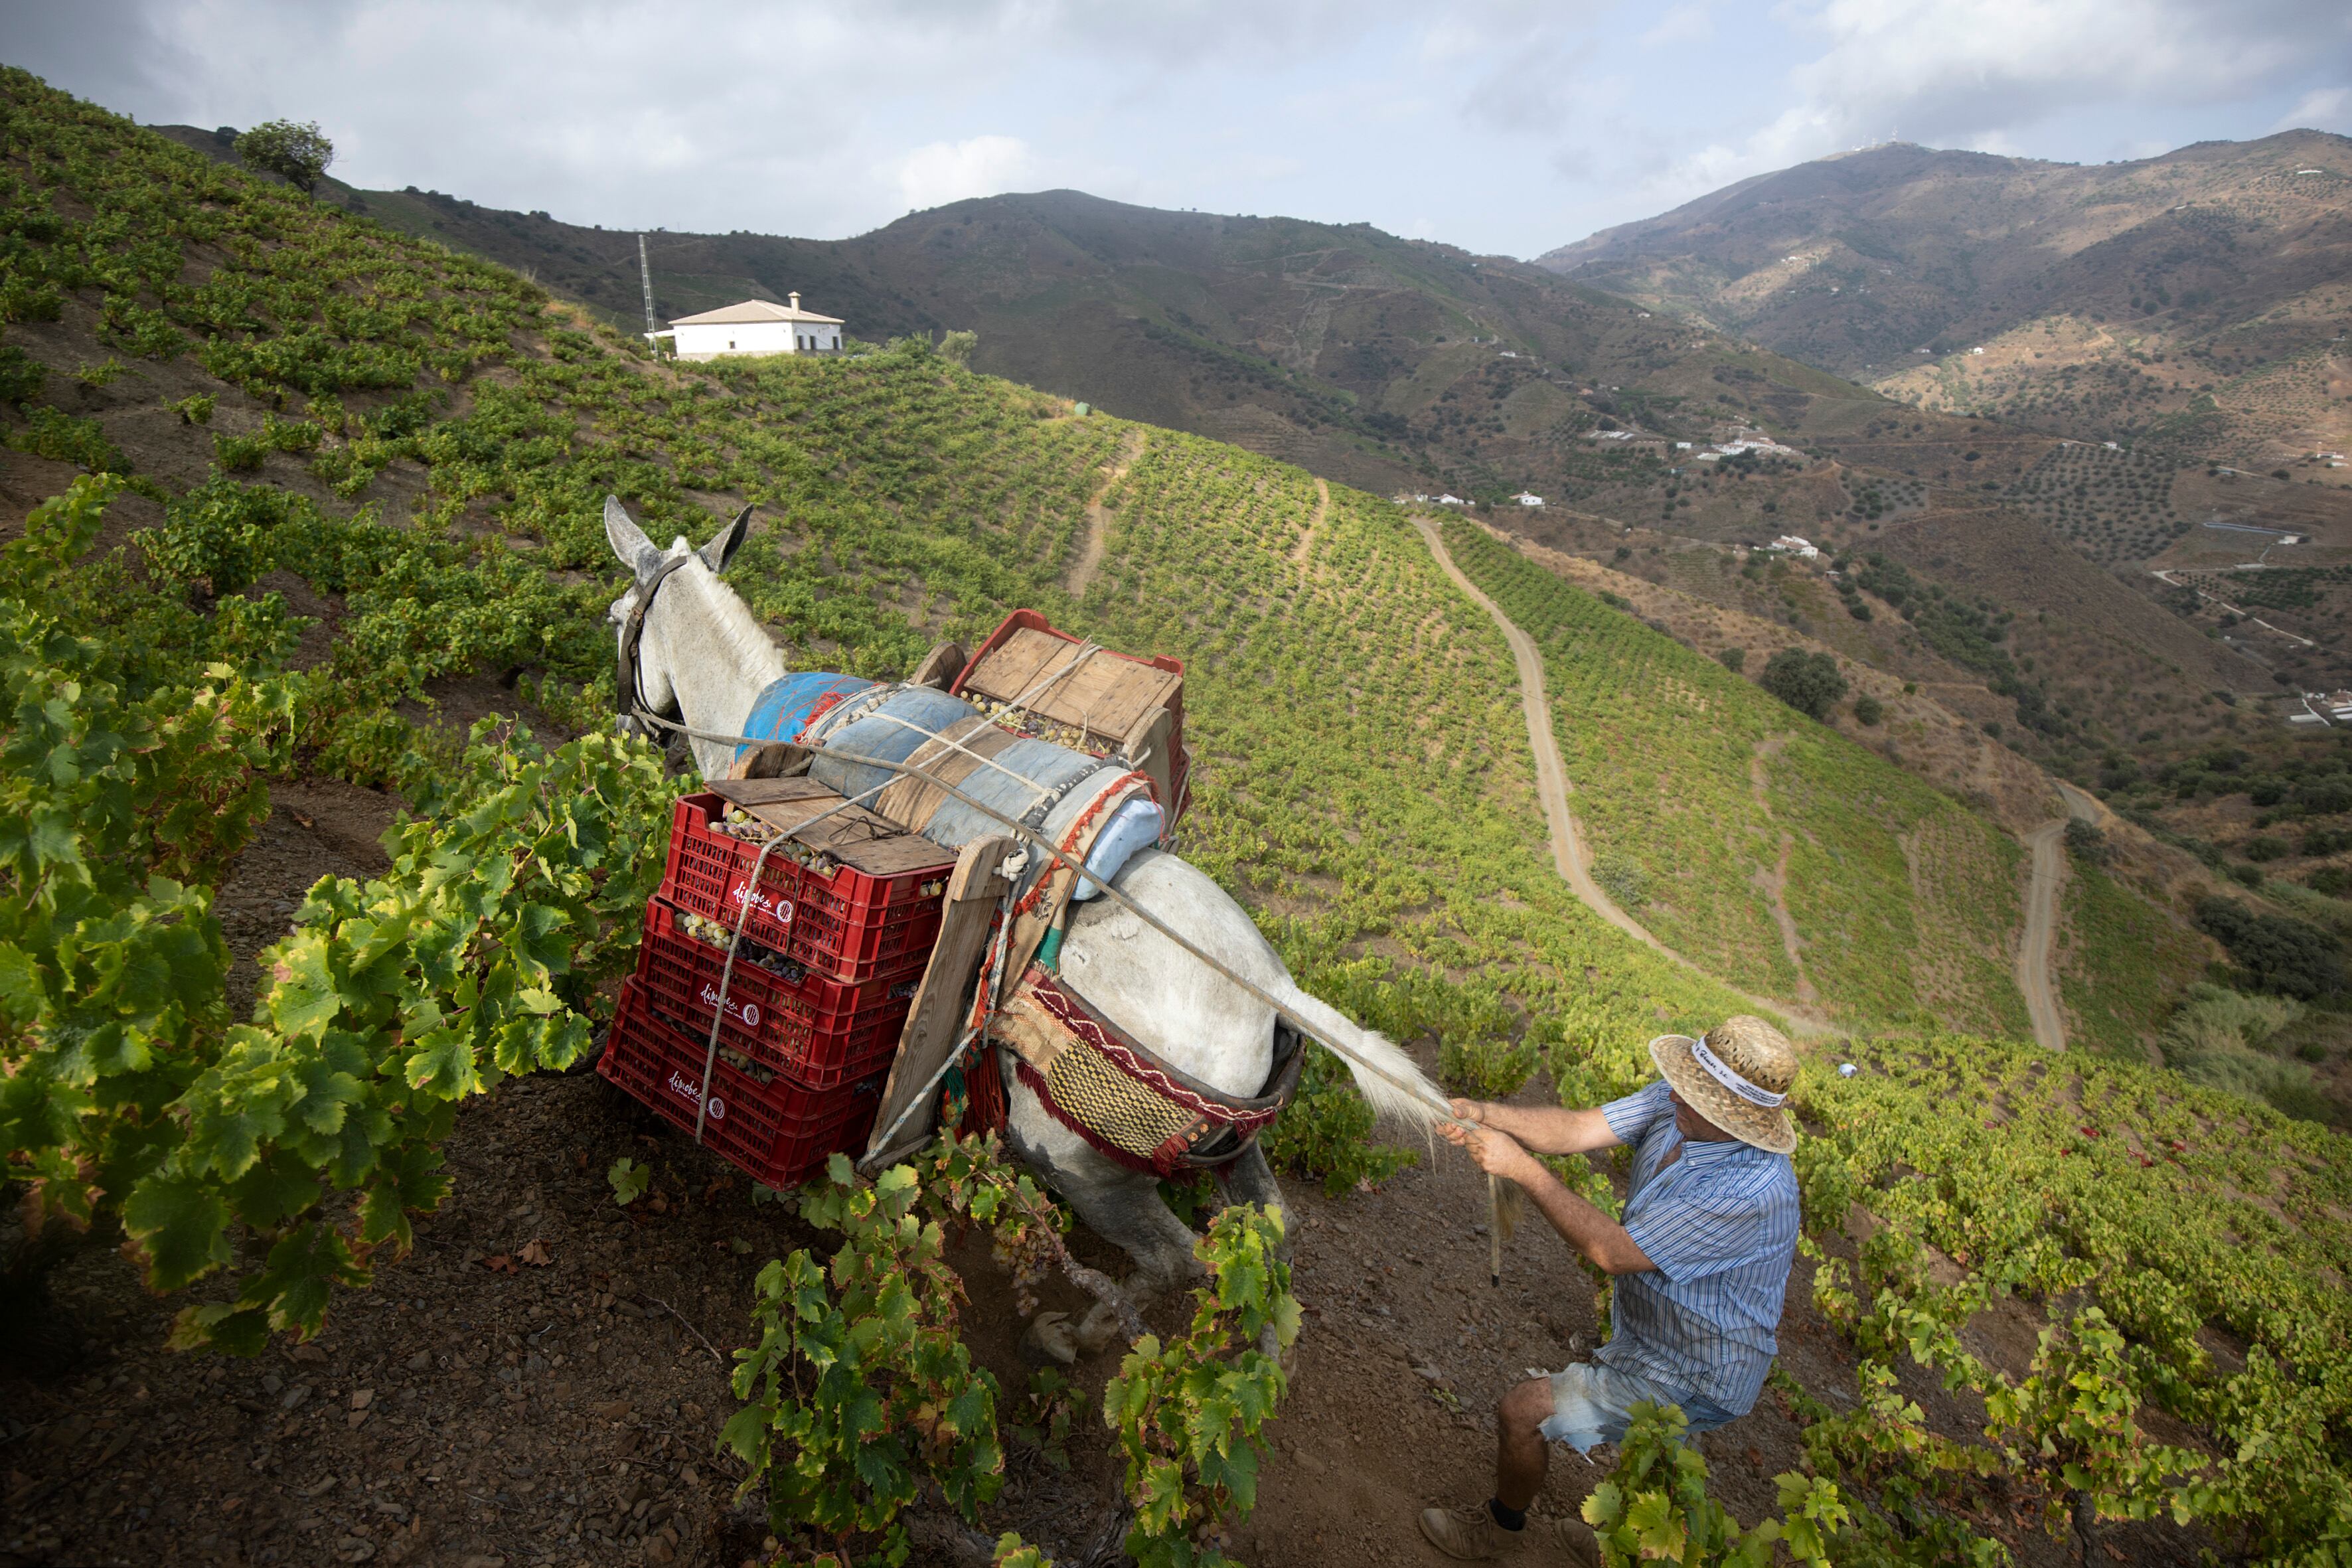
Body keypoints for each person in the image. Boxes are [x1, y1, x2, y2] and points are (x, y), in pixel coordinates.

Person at [1417, 1016, 1803, 1563]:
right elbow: (1576, 1129)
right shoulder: (1680, 1107)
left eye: (1694, 1094)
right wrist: (1485, 1114)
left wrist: (1522, 1170)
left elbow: (1612, 1252)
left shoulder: (1750, 1192)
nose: (1673, 1093)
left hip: (1698, 1370)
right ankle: (1616, 1546)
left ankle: (1499, 1532)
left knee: (1522, 1412)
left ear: (1732, 1117)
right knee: (1652, 1455)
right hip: (1655, 1337)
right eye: (1684, 1082)